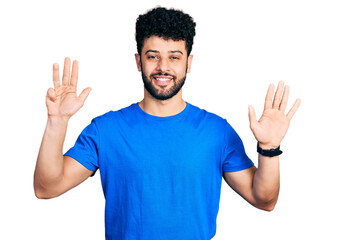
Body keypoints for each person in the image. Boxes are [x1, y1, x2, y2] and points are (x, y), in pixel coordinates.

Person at [34, 7, 301, 240]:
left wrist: (269, 148)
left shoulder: (217, 132)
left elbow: (264, 200)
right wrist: (57, 122)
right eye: (153, 56)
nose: (163, 67)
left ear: (189, 63)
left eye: (174, 56)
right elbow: (47, 187)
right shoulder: (105, 131)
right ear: (138, 61)